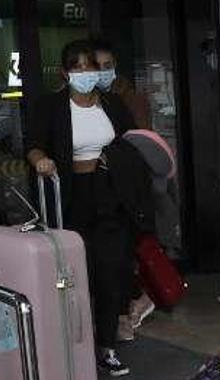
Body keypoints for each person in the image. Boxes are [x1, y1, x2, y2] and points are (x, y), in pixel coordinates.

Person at [25, 39, 137, 376]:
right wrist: (41, 159)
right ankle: (73, 347)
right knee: (72, 274)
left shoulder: (113, 104)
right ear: (65, 72)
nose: (86, 72)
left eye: (91, 66)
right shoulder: (52, 106)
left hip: (109, 195)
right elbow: (32, 145)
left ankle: (106, 347)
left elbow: (132, 143)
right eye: (78, 67)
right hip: (72, 197)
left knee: (110, 271)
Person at [90, 39, 160, 343]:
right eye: (97, 67)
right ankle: (120, 311)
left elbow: (140, 143)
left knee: (121, 256)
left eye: (108, 66)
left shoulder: (125, 100)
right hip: (97, 193)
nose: (103, 73)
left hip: (128, 191)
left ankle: (124, 313)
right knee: (107, 259)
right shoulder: (83, 104)